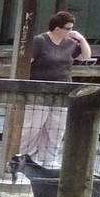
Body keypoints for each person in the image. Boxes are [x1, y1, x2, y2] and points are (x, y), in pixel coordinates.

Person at [24, 11, 91, 168]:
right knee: (33, 125)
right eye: (68, 28)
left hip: (62, 90)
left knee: (57, 126)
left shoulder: (70, 43)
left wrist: (80, 39)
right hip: (39, 90)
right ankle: (26, 156)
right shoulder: (40, 41)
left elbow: (85, 56)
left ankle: (49, 157)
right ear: (57, 28)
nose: (70, 31)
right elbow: (27, 63)